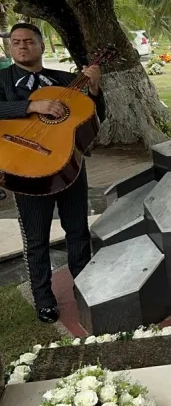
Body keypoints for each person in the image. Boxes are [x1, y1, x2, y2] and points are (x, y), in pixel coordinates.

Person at [0, 22, 105, 323]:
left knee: (78, 231)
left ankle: (85, 287)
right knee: (36, 239)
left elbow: (96, 116)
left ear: (42, 46)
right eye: (16, 42)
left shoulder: (65, 80)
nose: (22, 46)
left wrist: (95, 88)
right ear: (10, 47)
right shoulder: (3, 80)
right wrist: (32, 105)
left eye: (29, 41)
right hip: (26, 169)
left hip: (69, 165)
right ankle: (44, 297)